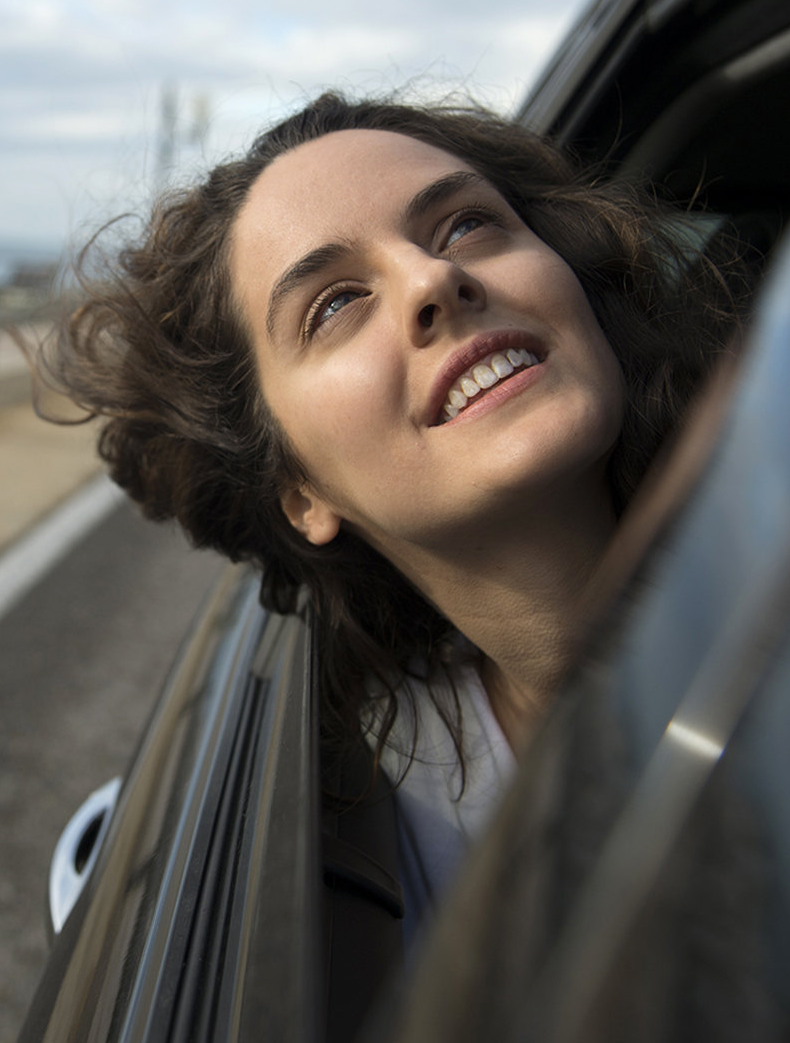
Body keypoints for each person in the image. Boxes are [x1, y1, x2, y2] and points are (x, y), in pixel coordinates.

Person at [38, 92, 745, 933]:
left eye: (466, 227)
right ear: (301, 493)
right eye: (334, 305)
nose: (434, 278)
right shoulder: (366, 825)